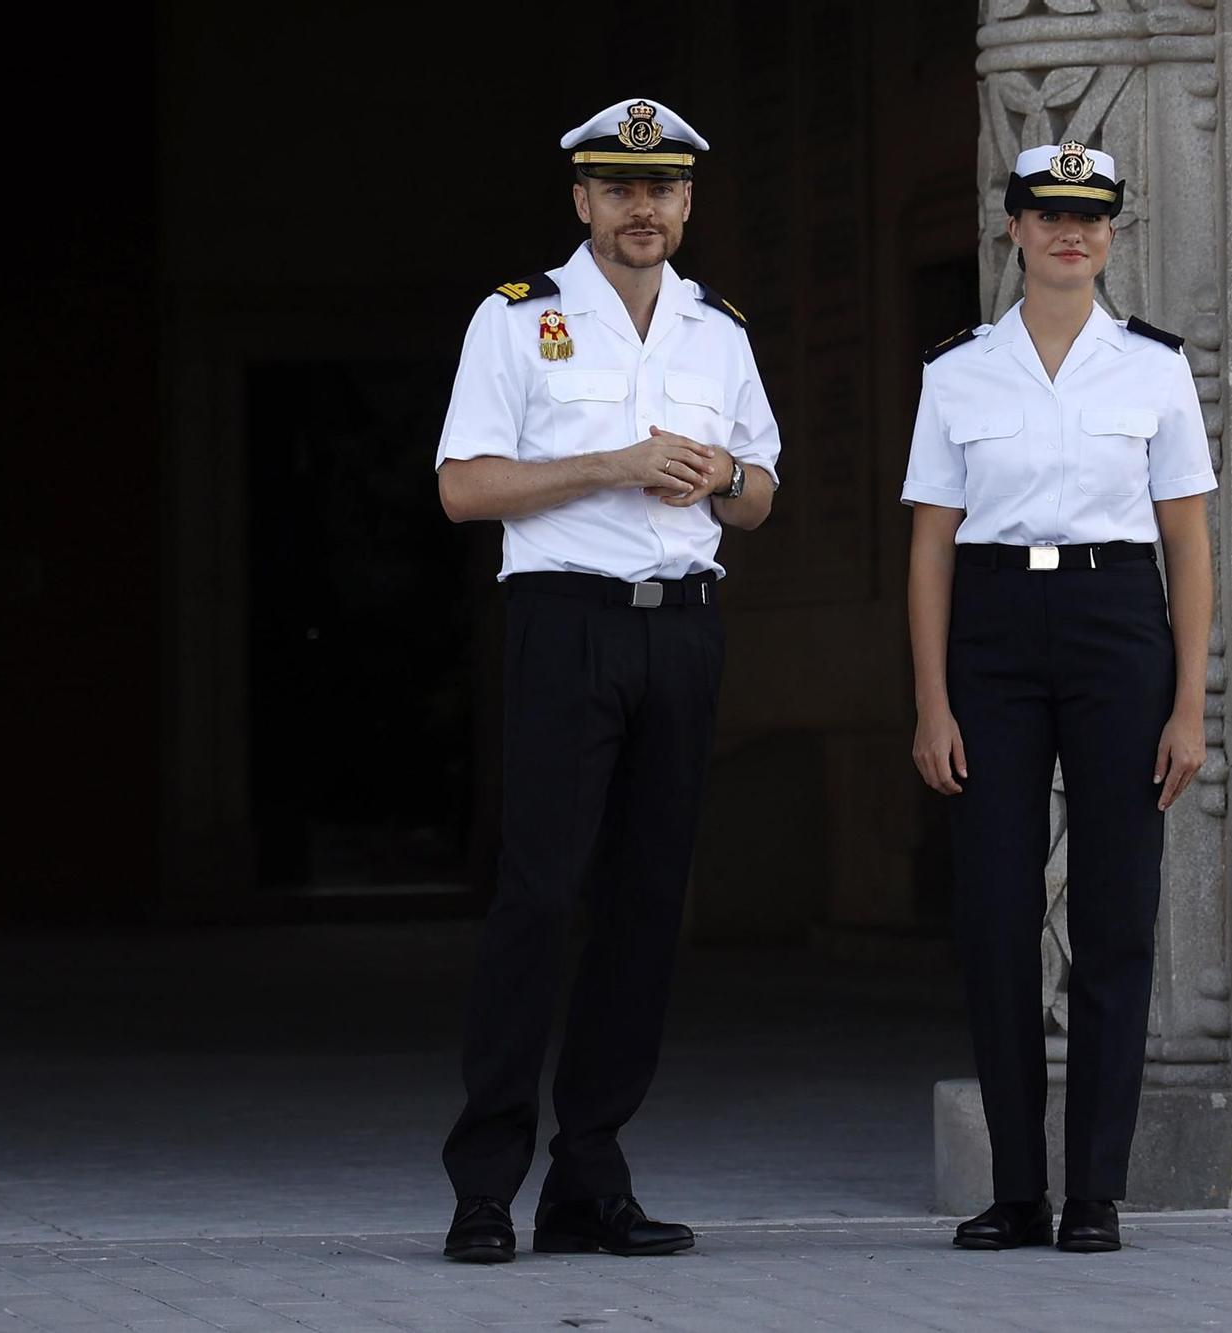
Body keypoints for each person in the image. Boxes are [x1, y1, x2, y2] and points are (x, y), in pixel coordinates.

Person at [433, 96, 779, 1264]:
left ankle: (589, 1176)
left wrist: (720, 474)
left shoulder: (715, 331)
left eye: (665, 189)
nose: (646, 208)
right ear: (582, 199)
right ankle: (485, 1182)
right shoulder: (518, 321)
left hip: (680, 630)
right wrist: (615, 465)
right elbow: (464, 489)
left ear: (686, 202)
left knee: (643, 906)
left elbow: (763, 490)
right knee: (536, 900)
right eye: (622, 189)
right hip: (564, 625)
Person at [902, 141, 1216, 1254]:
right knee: (992, 913)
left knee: (1115, 912)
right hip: (989, 632)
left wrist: (1188, 705)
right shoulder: (956, 371)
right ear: (1013, 228)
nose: (1067, 234)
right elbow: (931, 546)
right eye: (1047, 215)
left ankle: (1094, 1190)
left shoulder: (1153, 369)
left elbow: (1185, 540)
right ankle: (1013, 1189)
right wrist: (932, 701)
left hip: (1116, 626)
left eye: (1088, 217)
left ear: (1111, 234)